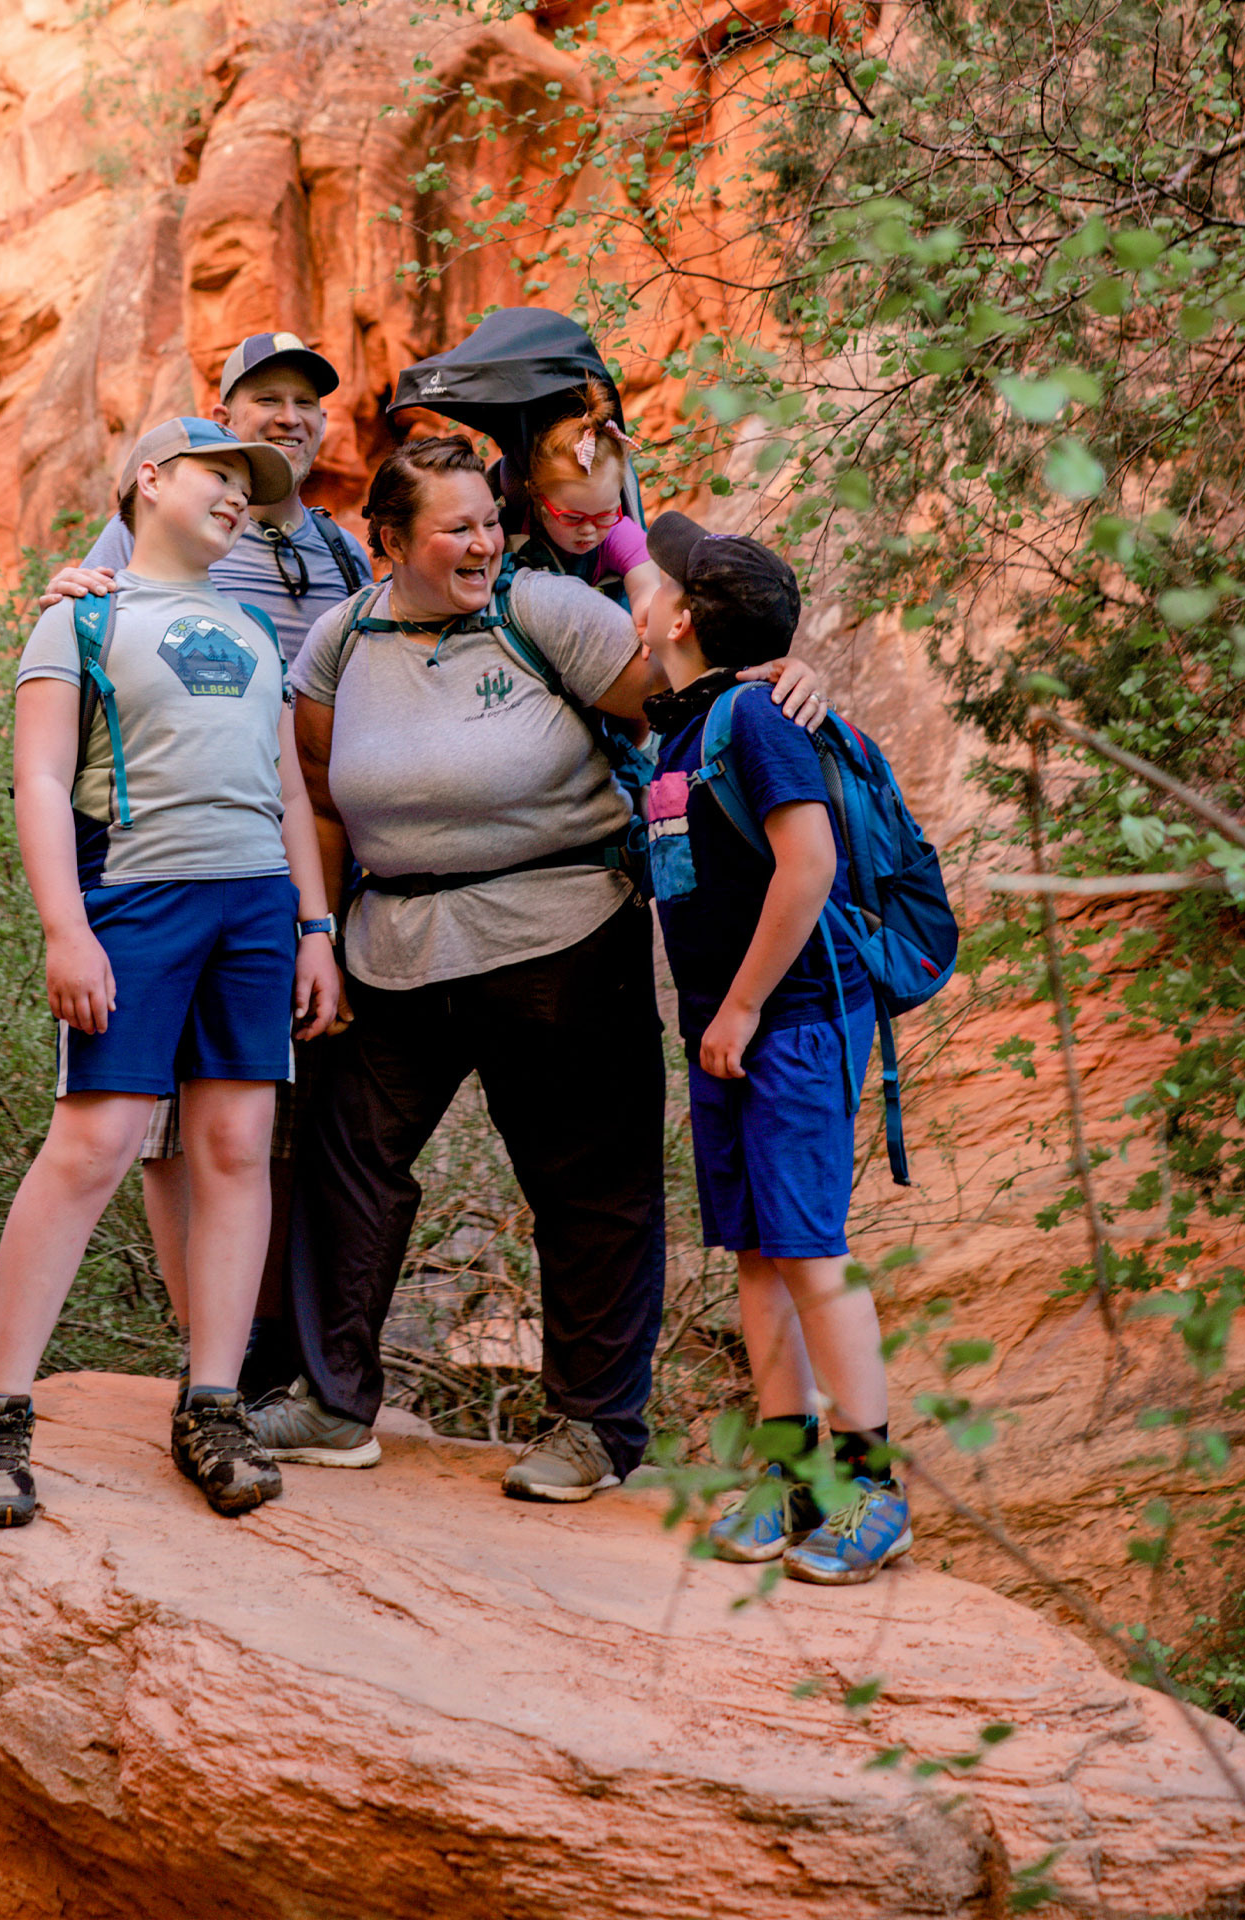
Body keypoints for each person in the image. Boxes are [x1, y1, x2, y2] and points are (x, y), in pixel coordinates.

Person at [249, 435, 828, 1501]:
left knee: (590, 1180)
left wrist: (782, 672)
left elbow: (684, 688)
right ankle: (333, 1404)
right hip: (394, 941)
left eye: (490, 521)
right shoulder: (341, 641)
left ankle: (595, 1428)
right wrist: (316, 931)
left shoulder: (545, 614)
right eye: (457, 526)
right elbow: (323, 798)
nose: (483, 542)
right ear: (391, 539)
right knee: (347, 1159)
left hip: (561, 931)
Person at [0, 417, 341, 1524]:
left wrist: (315, 927)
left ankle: (211, 1406)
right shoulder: (79, 619)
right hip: (135, 899)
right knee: (97, 1143)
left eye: (250, 488)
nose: (238, 497)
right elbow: (35, 784)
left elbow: (288, 793)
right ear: (151, 479)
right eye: (220, 476)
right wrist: (63, 929)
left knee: (234, 1147)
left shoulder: (257, 630)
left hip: (256, 907)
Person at [41, 331, 370, 1401]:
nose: (288, 417)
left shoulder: (341, 551)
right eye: (264, 399)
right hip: (165, 852)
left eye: (304, 404)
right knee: (157, 1127)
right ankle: (208, 1356)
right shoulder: (177, 519)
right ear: (224, 412)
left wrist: (318, 916)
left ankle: (254, 1364)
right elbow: (95, 611)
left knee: (262, 1122)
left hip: (303, 864)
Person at [635, 511, 910, 1584]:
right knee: (758, 1250)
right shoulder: (687, 722)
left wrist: (743, 1007)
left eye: (654, 583)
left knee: (808, 1248)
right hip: (732, 1030)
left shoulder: (755, 716)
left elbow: (809, 866)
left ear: (686, 615)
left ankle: (870, 1484)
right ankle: (793, 1470)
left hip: (787, 1018)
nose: (638, 590)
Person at [501, 380, 659, 617]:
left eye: (605, 516)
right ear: (537, 496)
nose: (589, 530)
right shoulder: (511, 528)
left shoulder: (615, 533)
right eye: (573, 517)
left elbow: (646, 582)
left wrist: (646, 607)